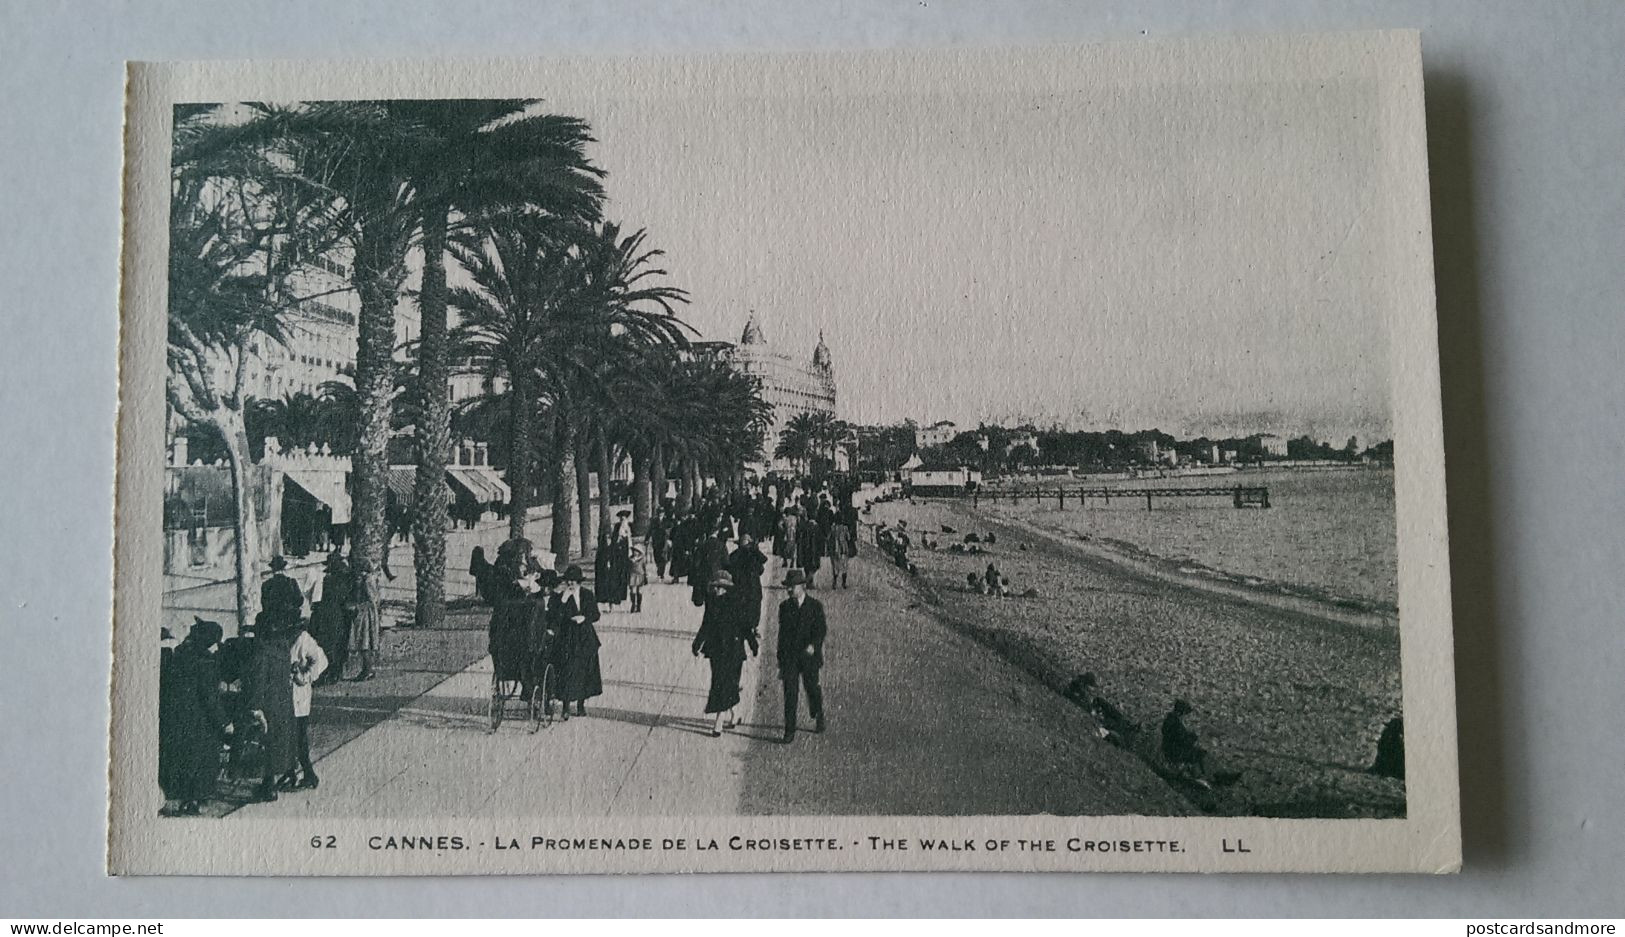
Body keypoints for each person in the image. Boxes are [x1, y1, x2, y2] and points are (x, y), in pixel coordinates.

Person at [158, 618, 233, 815]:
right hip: (199, 722)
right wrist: (225, 723)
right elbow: (210, 699)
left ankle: (181, 797)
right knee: (201, 760)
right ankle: (193, 801)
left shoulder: (181, 654)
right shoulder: (206, 663)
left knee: (182, 758)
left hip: (177, 717)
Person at [691, 570, 759, 737]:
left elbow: (746, 626)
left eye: (721, 587)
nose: (717, 591)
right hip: (716, 650)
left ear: (728, 588)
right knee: (722, 683)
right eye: (715, 587)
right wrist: (697, 643)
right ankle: (735, 714)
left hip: (733, 650)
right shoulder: (712, 602)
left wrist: (753, 644)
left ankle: (718, 723)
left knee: (725, 684)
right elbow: (706, 624)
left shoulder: (737, 603)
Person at [241, 614, 299, 802]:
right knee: (276, 744)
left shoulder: (261, 652)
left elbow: (258, 682)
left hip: (267, 704)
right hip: (282, 703)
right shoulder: (283, 649)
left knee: (263, 744)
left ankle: (267, 787)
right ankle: (271, 784)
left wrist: (255, 707)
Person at [776, 569, 827, 743]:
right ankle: (789, 730)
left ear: (802, 587)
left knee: (812, 688)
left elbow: (821, 629)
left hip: (809, 656)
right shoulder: (784, 607)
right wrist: (780, 662)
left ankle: (818, 713)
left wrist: (814, 645)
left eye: (792, 587)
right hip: (790, 657)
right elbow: (782, 636)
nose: (789, 590)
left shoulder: (815, 606)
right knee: (790, 693)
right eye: (787, 587)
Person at [548, 566, 603, 718]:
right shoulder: (560, 597)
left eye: (574, 581)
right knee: (566, 670)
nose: (571, 584)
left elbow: (596, 614)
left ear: (579, 582)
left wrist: (584, 617)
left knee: (584, 670)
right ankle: (565, 705)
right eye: (568, 581)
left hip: (585, 637)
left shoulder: (587, 594)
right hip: (567, 637)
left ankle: (580, 704)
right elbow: (554, 617)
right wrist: (563, 600)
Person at [286, 617, 329, 790]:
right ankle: (291, 773)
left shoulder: (303, 638)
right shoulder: (280, 635)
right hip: (284, 695)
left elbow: (321, 660)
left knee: (298, 737)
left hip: (299, 696)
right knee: (288, 737)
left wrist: (305, 676)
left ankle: (308, 773)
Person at [308, 552, 352, 685]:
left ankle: (329, 673)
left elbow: (320, 599)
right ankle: (336, 672)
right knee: (339, 644)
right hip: (341, 615)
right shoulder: (346, 579)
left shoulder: (328, 580)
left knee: (328, 644)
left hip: (328, 616)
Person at [346, 570, 381, 681]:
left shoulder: (367, 581)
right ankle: (368, 669)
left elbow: (372, 600)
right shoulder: (366, 579)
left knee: (365, 642)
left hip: (366, 615)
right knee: (364, 642)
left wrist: (356, 606)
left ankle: (368, 669)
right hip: (364, 614)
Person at [1160, 699, 1206, 774]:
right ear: (1181, 713)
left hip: (1168, 749)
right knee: (1200, 753)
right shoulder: (1176, 725)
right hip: (1175, 752)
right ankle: (1203, 775)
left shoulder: (1169, 720)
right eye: (1185, 714)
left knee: (1196, 751)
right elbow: (1183, 740)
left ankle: (1194, 772)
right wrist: (1194, 737)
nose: (1185, 716)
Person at [260, 555, 303, 628]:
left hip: (272, 619)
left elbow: (264, 604)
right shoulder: (292, 582)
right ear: (284, 568)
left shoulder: (266, 585)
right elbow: (300, 601)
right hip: (290, 618)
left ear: (272, 569)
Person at [796, 509, 823, 586]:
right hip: (815, 549)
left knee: (807, 565)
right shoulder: (817, 526)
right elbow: (820, 540)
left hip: (806, 548)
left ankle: (809, 581)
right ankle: (809, 580)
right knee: (814, 566)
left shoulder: (805, 526)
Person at [827, 518, 851, 589]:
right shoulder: (845, 528)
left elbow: (828, 538)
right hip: (843, 549)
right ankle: (843, 583)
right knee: (844, 566)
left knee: (835, 566)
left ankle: (834, 583)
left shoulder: (833, 528)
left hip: (835, 549)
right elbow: (848, 537)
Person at [627, 539, 649, 613]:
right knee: (632, 590)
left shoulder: (642, 559)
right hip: (632, 575)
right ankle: (633, 604)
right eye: (634, 550)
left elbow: (644, 567)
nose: (635, 552)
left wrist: (645, 575)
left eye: (637, 551)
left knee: (639, 591)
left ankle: (639, 606)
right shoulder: (630, 559)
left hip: (640, 574)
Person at [649, 511, 671, 582]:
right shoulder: (654, 521)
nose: (660, 514)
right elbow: (650, 530)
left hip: (663, 541)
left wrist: (669, 538)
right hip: (656, 541)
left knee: (663, 557)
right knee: (657, 557)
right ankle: (659, 570)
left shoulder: (666, 521)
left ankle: (661, 574)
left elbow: (670, 530)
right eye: (659, 513)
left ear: (664, 514)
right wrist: (647, 538)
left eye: (662, 513)